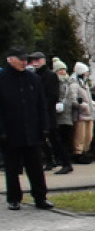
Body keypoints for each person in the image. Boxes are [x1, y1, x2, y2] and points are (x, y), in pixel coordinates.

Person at [0, 48, 55, 211]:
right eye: (21, 59)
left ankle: (40, 197)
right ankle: (14, 198)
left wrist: (45, 126)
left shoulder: (33, 79)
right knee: (12, 168)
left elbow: (41, 105)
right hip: (11, 130)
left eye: (26, 59)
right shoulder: (2, 79)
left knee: (36, 166)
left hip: (32, 130)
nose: (24, 62)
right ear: (10, 59)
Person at [70, 62, 95, 163]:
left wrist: (92, 104)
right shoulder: (74, 85)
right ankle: (78, 153)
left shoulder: (84, 84)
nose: (87, 74)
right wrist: (82, 105)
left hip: (89, 114)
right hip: (81, 114)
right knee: (80, 135)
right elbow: (73, 99)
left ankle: (85, 151)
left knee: (89, 135)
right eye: (85, 72)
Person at [52, 59, 75, 175]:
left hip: (67, 114)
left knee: (63, 139)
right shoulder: (57, 82)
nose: (62, 71)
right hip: (59, 114)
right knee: (60, 139)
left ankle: (65, 162)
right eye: (60, 69)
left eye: (64, 69)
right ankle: (61, 160)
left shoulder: (68, 82)